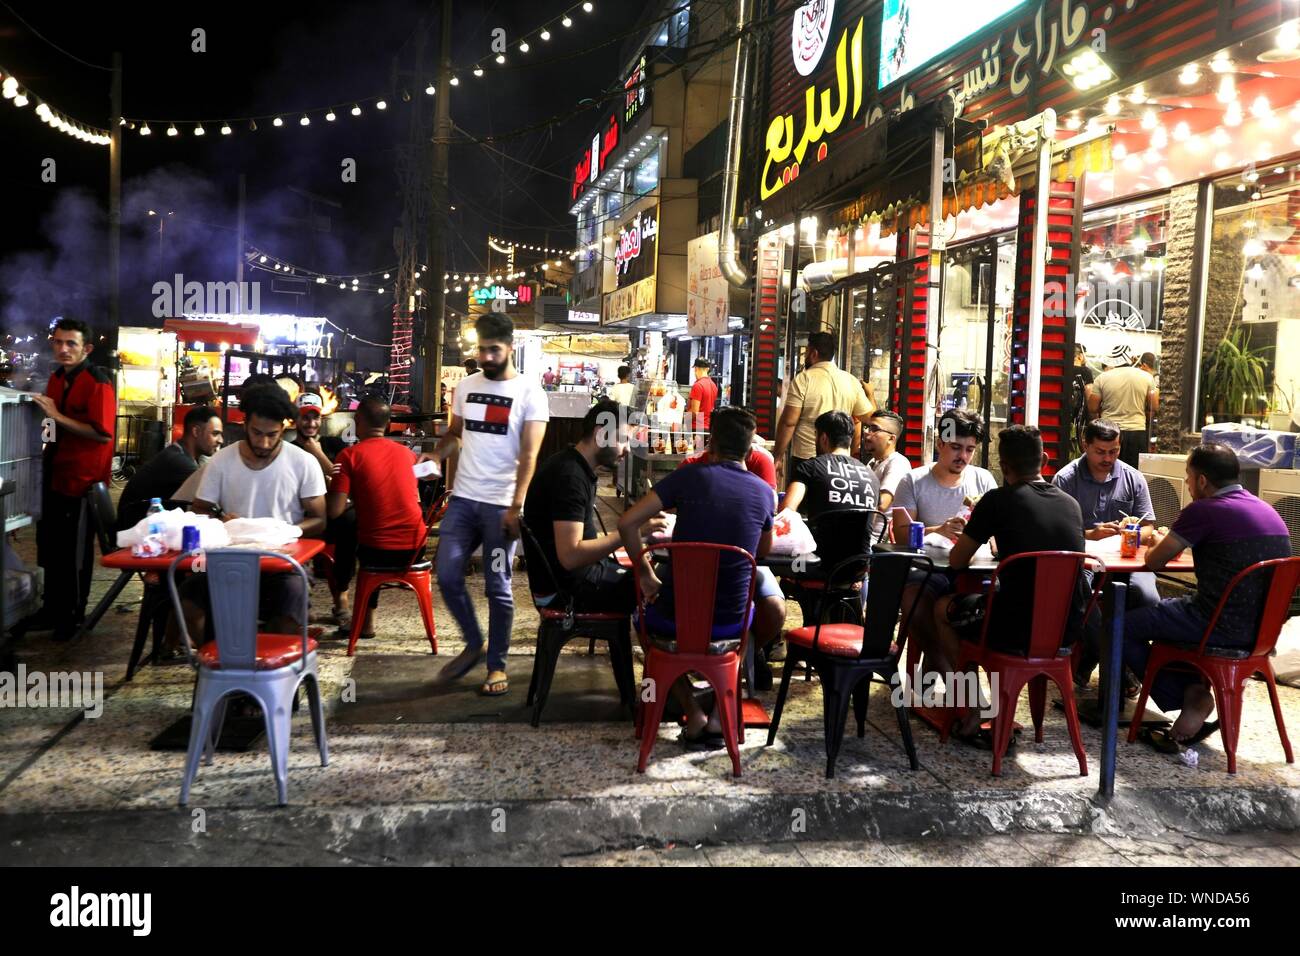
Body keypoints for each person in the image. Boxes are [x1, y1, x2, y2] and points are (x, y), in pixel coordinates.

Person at [618, 407, 785, 745]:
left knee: (642, 620)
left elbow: (626, 523)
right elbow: (763, 549)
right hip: (732, 622)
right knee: (749, 614)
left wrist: (648, 574)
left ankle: (691, 708)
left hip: (675, 618)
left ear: (711, 443)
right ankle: (723, 703)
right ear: (750, 450)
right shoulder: (764, 493)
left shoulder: (689, 477)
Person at [1123, 444, 1291, 749]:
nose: (1187, 484)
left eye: (1188, 477)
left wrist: (1153, 541)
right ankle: (1192, 692)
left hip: (1213, 624)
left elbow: (1155, 562)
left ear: (1201, 480)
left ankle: (1188, 694)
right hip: (1261, 633)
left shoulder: (1204, 510)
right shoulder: (1269, 511)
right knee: (1163, 613)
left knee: (1119, 625)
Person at [935, 426, 1088, 745]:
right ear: (1044, 460)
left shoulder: (997, 501)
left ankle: (973, 707)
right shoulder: (1071, 505)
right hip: (1066, 631)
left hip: (1014, 630)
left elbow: (957, 561)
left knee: (941, 609)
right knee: (996, 602)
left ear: (1004, 467)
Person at [426, 313, 550, 697]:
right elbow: (454, 435)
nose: (486, 357)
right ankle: (473, 642)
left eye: (494, 350)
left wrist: (517, 506)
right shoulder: (464, 387)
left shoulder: (531, 393)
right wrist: (434, 457)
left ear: (510, 347)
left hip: (501, 507)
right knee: (446, 573)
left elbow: (530, 456)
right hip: (464, 501)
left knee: (498, 585)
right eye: (481, 349)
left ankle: (496, 665)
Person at [184, 384, 327, 638]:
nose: (263, 442)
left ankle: (277, 669)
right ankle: (215, 665)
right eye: (257, 432)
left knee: (290, 605)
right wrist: (220, 521)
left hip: (284, 562)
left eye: (272, 434)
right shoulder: (221, 461)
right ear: (244, 424)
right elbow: (198, 512)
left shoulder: (303, 462)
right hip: (229, 560)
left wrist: (286, 530)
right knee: (189, 599)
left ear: (283, 427)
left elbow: (319, 519)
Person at [891, 409, 999, 678]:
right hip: (929, 570)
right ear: (940, 444)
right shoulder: (913, 480)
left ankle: (954, 672)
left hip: (973, 571)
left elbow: (998, 533)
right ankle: (951, 672)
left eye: (969, 449)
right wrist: (940, 529)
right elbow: (902, 534)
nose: (962, 456)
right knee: (912, 597)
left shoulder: (983, 480)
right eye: (955, 447)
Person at [26, 318, 115, 641]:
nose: (63, 349)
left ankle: (72, 616)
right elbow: (52, 426)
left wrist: (57, 417)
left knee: (74, 553)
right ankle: (51, 608)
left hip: (83, 481)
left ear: (86, 348)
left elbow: (102, 435)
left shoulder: (98, 382)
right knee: (49, 545)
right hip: (54, 474)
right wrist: (43, 443)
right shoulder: (55, 378)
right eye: (58, 342)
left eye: (71, 344)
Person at [1052, 419, 1159, 684]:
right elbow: (1056, 531)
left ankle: (1107, 658)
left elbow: (1149, 528)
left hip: (1126, 560)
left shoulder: (1133, 478)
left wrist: (1129, 533)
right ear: (1085, 446)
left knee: (1148, 597)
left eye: (1114, 451)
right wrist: (1090, 534)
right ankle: (1111, 662)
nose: (1107, 458)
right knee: (1079, 597)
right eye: (1100, 451)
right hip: (1085, 560)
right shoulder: (1066, 479)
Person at [523, 400, 651, 613]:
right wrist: (632, 531)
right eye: (622, 440)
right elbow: (571, 556)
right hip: (563, 590)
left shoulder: (574, 465)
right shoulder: (569, 476)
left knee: (648, 571)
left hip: (575, 577)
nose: (627, 449)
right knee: (663, 590)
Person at [326, 397, 429, 640]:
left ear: (357, 421)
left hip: (378, 553)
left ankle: (357, 612)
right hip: (417, 549)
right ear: (389, 423)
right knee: (373, 530)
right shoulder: (407, 455)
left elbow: (334, 510)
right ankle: (365, 620)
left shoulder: (349, 455)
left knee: (349, 526)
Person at [772, 330, 873, 483]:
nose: (805, 356)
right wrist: (870, 395)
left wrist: (777, 457)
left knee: (803, 503)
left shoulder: (803, 379)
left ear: (813, 353)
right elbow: (870, 417)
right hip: (839, 460)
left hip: (806, 458)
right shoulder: (850, 380)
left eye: (806, 352)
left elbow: (789, 422)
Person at [292, 391, 354, 627]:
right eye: (305, 418)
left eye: (315, 418)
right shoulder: (289, 449)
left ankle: (342, 602)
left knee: (350, 524)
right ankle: (301, 603)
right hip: (303, 518)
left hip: (332, 518)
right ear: (295, 420)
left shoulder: (333, 445)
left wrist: (317, 453)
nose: (311, 423)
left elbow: (341, 478)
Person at [117, 405, 224, 531]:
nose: (220, 440)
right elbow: (208, 502)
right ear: (196, 431)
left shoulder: (177, 452)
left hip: (141, 526)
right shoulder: (179, 462)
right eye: (215, 434)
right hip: (138, 534)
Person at [782, 411, 878, 520]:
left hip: (818, 536)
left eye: (816, 435)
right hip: (863, 538)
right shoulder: (871, 476)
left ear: (823, 438)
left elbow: (786, 512)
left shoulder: (810, 468)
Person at [1089, 349, 1158, 468]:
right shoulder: (1146, 377)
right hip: (1137, 431)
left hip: (1108, 432)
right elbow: (1154, 406)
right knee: (1134, 473)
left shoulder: (1102, 378)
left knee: (1108, 470)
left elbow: (1092, 407)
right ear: (1131, 359)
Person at [861, 409, 910, 510]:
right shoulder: (873, 462)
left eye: (874, 429)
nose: (866, 432)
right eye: (867, 427)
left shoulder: (898, 463)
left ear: (891, 438)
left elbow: (882, 504)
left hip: (881, 525)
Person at [687, 357, 719, 432]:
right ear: (707, 369)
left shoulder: (698, 385)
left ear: (696, 369)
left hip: (697, 427)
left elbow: (695, 411)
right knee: (703, 444)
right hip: (708, 427)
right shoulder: (713, 385)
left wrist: (682, 420)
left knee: (697, 444)